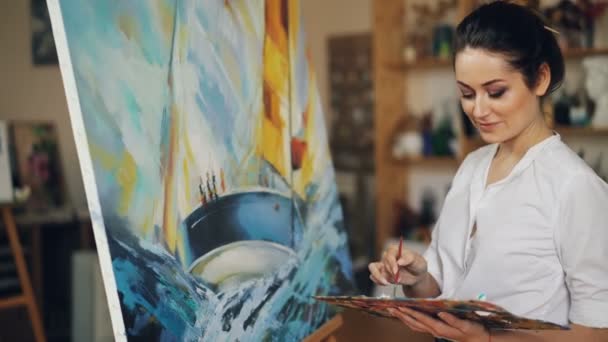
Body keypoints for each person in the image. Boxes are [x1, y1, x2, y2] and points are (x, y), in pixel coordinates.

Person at [368, 2, 608, 341]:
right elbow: (444, 282)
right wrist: (418, 277)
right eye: (466, 94)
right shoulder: (472, 166)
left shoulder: (575, 186)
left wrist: (487, 339)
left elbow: (596, 334)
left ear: (540, 78)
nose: (478, 110)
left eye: (496, 92)